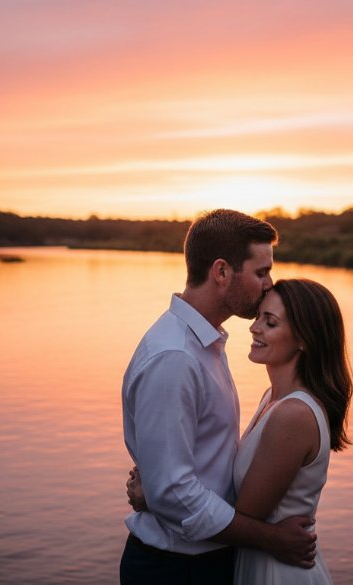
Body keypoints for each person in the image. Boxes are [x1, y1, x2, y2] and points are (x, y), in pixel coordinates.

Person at [120, 209, 318, 585]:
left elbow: (180, 481)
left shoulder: (204, 343)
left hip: (202, 562)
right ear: (222, 271)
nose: (269, 284)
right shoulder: (175, 357)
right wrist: (272, 539)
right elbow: (175, 494)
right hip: (176, 571)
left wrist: (157, 492)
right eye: (261, 272)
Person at [129, 277, 353, 585]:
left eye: (270, 322)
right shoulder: (272, 399)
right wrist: (162, 490)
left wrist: (160, 498)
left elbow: (245, 514)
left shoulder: (293, 415)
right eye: (259, 316)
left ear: (304, 339)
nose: (254, 327)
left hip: (277, 570)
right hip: (255, 558)